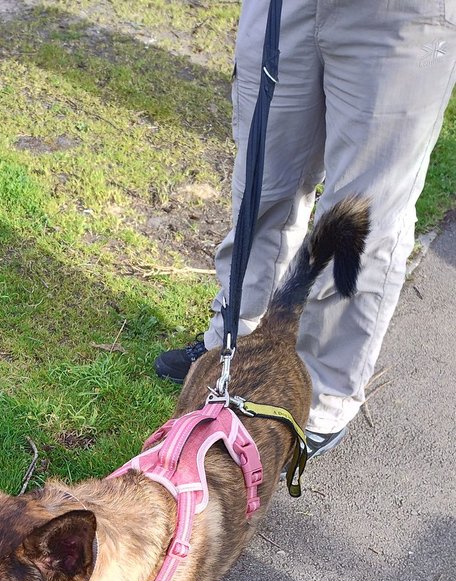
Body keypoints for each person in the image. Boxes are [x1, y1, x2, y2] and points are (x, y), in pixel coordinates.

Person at [154, 0, 456, 456]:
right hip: (284, 7)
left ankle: (321, 398)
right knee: (262, 185)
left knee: (364, 216)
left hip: (397, 18)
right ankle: (232, 349)